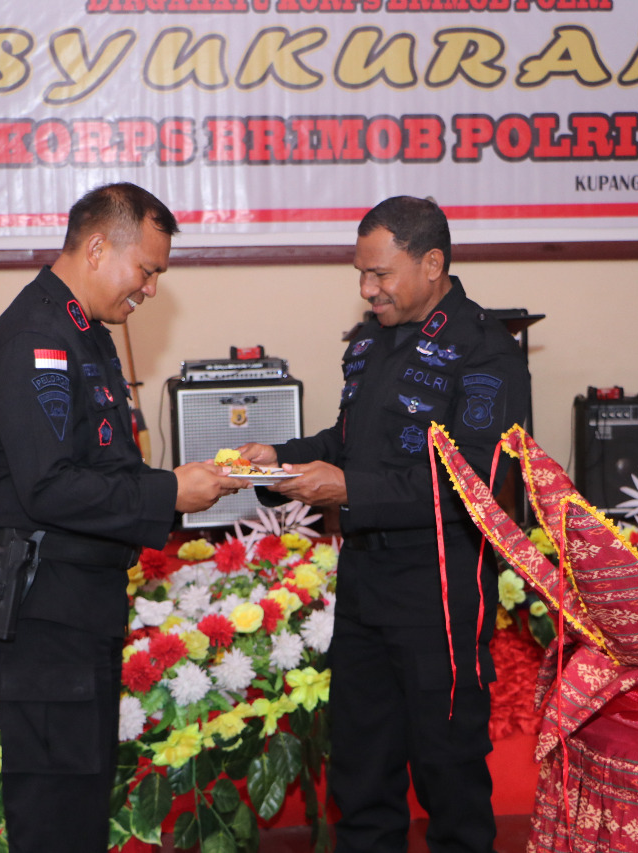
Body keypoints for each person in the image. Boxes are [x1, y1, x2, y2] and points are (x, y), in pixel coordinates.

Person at [238, 196, 530, 853]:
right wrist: (279, 457)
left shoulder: (486, 353)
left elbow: (471, 484)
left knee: (447, 769)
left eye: (381, 275)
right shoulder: (370, 341)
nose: (368, 290)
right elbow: (349, 444)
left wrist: (347, 488)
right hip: (367, 582)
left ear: (432, 263)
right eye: (360, 276)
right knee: (361, 770)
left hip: (440, 591)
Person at [0, 182, 241, 851]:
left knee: (81, 801)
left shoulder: (82, 332)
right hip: (43, 607)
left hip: (74, 599)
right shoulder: (39, 338)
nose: (148, 289)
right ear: (95, 247)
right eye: (146, 270)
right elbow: (51, 487)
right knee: (57, 813)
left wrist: (168, 486)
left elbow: (103, 463)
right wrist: (168, 492)